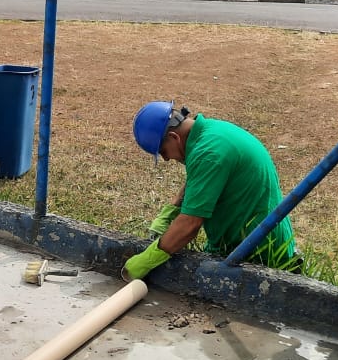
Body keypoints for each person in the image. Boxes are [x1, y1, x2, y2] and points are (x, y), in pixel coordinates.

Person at [122, 101, 298, 280]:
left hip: (258, 254)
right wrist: (170, 213)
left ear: (174, 137)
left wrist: (147, 259)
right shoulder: (211, 133)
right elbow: (198, 180)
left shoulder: (209, 153)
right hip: (249, 241)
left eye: (163, 152)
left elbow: (190, 224)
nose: (166, 159)